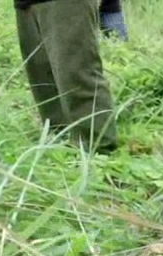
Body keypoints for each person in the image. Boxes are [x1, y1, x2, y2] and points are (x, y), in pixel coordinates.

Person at [14, 0, 119, 153]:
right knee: (44, 84)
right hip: (27, 5)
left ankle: (97, 157)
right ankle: (63, 154)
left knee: (77, 77)